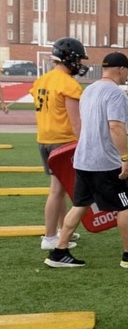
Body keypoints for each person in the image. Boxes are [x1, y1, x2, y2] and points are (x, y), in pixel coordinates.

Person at [44, 52, 128, 269]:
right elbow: (115, 126)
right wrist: (125, 157)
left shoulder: (89, 90)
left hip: (82, 159)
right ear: (121, 69)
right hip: (104, 162)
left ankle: (59, 251)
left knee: (80, 204)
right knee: (126, 203)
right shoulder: (116, 94)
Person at [29, 37, 89, 251]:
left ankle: (64, 229)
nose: (80, 64)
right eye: (78, 59)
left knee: (61, 189)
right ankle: (50, 236)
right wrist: (86, 145)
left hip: (44, 139)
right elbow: (75, 122)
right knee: (57, 190)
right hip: (62, 142)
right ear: (69, 58)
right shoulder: (68, 84)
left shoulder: (42, 80)